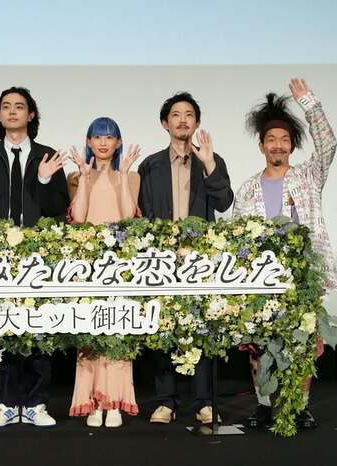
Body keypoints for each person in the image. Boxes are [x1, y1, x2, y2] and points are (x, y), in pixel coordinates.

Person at [233, 78, 337, 430]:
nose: (277, 145)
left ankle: (300, 406)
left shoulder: (308, 177)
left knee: (302, 342)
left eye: (284, 139)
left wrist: (310, 104)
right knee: (259, 345)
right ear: (261, 145)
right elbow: (238, 239)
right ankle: (264, 405)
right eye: (271, 139)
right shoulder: (248, 190)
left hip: (302, 275)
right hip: (260, 279)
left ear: (292, 145)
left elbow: (328, 144)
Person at [0, 86, 69, 428]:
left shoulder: (47, 155)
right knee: (1, 328)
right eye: (6, 106)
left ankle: (35, 404)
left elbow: (59, 208)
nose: (12, 111)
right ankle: (3, 403)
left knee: (39, 330)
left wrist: (44, 180)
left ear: (31, 115)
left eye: (19, 106)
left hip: (38, 256)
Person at [137, 92, 234, 424]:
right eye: (176, 115)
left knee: (202, 328)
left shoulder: (211, 159)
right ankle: (166, 401)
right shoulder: (150, 165)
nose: (182, 120)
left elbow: (224, 202)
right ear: (165, 124)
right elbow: (143, 211)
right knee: (162, 328)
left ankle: (204, 402)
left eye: (189, 114)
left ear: (197, 122)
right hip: (162, 259)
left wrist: (209, 164)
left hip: (200, 259)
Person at [67, 117, 141, 428]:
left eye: (109, 137)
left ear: (118, 143)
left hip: (119, 266)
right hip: (88, 265)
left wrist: (122, 176)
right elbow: (79, 218)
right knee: (91, 333)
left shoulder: (131, 176)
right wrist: (85, 179)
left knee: (118, 332)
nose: (103, 142)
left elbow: (127, 218)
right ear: (88, 142)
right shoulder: (76, 176)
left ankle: (115, 403)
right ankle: (94, 403)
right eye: (97, 136)